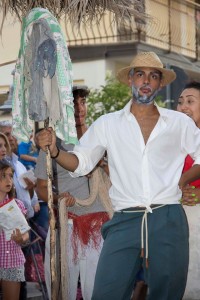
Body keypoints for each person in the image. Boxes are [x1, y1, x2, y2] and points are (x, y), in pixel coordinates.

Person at [36, 51, 200, 300]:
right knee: (106, 292)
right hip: (125, 218)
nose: (146, 81)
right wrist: (56, 150)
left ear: (160, 83)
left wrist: (183, 179)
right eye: (140, 74)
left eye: (153, 76)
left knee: (167, 294)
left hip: (167, 217)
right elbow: (81, 164)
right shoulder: (107, 124)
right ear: (130, 80)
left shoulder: (178, 122)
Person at [34, 85, 111, 300]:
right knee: (61, 290)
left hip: (98, 225)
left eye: (82, 102)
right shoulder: (53, 142)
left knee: (98, 292)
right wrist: (58, 200)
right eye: (72, 104)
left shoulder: (101, 138)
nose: (79, 109)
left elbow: (119, 180)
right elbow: (41, 187)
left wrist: (101, 166)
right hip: (65, 224)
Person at [177, 81, 200, 300]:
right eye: (180, 102)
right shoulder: (173, 141)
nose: (184, 106)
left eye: (191, 101)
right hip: (175, 221)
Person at [0, 160, 29, 300]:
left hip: (12, 260)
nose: (8, 180)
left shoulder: (17, 204)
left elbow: (25, 234)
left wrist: (21, 239)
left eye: (10, 176)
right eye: (3, 176)